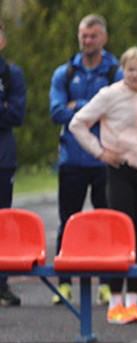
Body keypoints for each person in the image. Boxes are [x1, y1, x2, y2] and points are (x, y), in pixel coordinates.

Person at [69, 46, 137, 324]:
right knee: (120, 236)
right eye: (130, 69)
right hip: (119, 170)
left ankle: (133, 302)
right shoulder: (109, 95)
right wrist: (99, 152)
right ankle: (115, 302)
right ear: (122, 70)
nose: (135, 74)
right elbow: (78, 123)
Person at [49, 14, 121, 306]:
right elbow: (56, 112)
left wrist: (77, 108)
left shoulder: (115, 71)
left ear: (103, 38)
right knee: (69, 220)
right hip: (73, 158)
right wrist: (93, 110)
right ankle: (64, 284)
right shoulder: (64, 73)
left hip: (104, 159)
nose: (87, 41)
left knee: (105, 223)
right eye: (83, 35)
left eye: (92, 36)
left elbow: (117, 111)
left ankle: (106, 283)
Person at [0, 19, 26, 307]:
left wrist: (6, 108)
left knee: (2, 221)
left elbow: (15, 115)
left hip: (3, 158)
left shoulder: (11, 74)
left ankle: (1, 283)